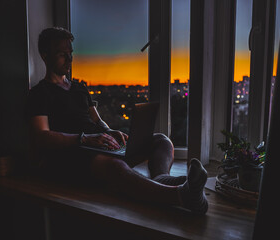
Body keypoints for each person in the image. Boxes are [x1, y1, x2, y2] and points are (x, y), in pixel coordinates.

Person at [27, 27, 208, 215]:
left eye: (70, 53)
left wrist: (109, 131)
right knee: (115, 166)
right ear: (45, 55)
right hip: (72, 154)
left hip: (97, 145)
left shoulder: (79, 88)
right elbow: (41, 136)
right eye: (62, 54)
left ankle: (162, 179)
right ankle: (182, 196)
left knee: (161, 140)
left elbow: (97, 120)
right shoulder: (39, 94)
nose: (70, 59)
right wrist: (84, 139)